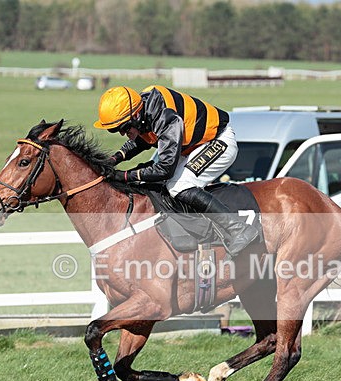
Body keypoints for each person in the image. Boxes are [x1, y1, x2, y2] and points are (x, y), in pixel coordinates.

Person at [93, 85, 258, 257]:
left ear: (135, 116)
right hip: (192, 148)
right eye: (117, 129)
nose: (122, 133)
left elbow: (164, 169)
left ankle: (238, 228)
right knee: (151, 179)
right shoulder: (144, 112)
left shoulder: (165, 118)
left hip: (218, 141)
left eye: (124, 128)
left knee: (179, 186)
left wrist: (125, 175)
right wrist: (113, 159)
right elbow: (141, 138)